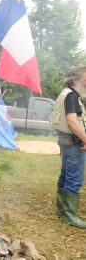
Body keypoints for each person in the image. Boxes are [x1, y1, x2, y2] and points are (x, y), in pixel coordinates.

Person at [50, 66, 86, 229]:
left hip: (66, 141)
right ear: (74, 80)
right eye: (85, 79)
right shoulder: (71, 96)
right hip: (73, 143)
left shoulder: (66, 93)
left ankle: (62, 210)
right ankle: (70, 215)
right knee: (74, 178)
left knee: (66, 175)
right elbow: (72, 122)